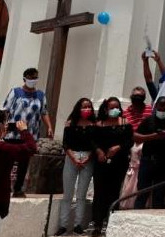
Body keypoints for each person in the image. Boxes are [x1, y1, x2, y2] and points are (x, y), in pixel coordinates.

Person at [1, 68, 53, 198]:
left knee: (24, 163)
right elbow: (6, 110)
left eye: (35, 77)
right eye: (30, 78)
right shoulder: (16, 92)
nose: (33, 80)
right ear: (24, 78)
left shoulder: (40, 95)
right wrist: (2, 127)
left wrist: (49, 127)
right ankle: (3, 187)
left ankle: (18, 189)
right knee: (7, 162)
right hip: (13, 134)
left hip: (29, 134)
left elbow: (44, 112)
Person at [90, 97, 132, 236]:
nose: (114, 110)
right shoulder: (99, 124)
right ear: (106, 109)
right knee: (100, 191)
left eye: (117, 107)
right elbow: (93, 141)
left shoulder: (125, 124)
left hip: (119, 162)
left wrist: (118, 148)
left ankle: (110, 221)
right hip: (102, 162)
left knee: (114, 191)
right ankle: (97, 223)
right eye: (111, 107)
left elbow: (129, 141)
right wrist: (99, 151)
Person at [56, 98, 96, 236]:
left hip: (87, 158)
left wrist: (87, 157)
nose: (87, 109)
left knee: (81, 194)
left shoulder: (94, 125)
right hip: (71, 156)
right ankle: (63, 225)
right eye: (84, 107)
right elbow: (65, 143)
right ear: (78, 108)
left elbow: (95, 145)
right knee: (68, 194)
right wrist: (73, 158)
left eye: (89, 107)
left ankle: (78, 224)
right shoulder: (70, 123)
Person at [132, 96, 165, 209]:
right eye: (160, 106)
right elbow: (136, 137)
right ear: (156, 106)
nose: (162, 109)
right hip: (148, 160)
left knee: (160, 193)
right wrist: (153, 137)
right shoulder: (149, 120)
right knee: (143, 191)